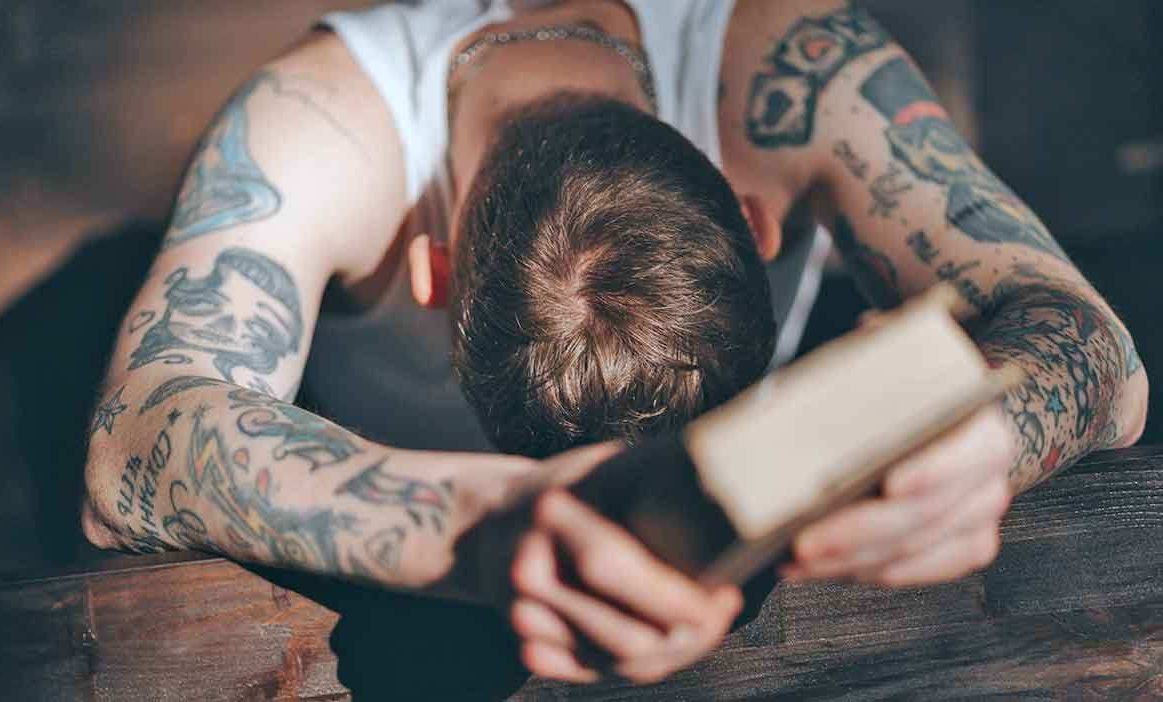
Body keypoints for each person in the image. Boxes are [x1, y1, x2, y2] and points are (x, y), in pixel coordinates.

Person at [81, 0, 1148, 687]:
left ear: (751, 212)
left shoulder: (794, 74)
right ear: (428, 270)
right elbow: (132, 444)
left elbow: (1094, 345)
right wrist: (488, 526)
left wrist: (986, 439)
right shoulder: (319, 132)